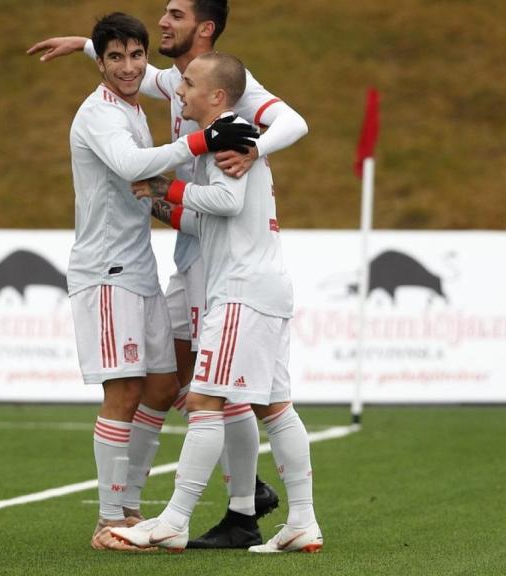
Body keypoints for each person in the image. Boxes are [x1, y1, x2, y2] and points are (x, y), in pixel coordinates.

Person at [28, 0, 309, 548]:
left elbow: (292, 124)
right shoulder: (176, 85)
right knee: (171, 387)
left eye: (175, 15)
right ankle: (158, 507)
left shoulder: (228, 99)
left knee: (214, 394)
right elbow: (133, 69)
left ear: (203, 30)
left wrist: (247, 149)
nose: (163, 23)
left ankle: (232, 509)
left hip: (222, 267)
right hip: (184, 257)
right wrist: (87, 45)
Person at [110, 51, 322, 554]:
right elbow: (210, 220)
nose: (178, 91)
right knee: (275, 406)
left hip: (242, 291)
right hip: (264, 284)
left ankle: (174, 520)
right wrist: (159, 201)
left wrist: (170, 185)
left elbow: (223, 201)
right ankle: (303, 521)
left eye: (187, 83)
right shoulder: (225, 141)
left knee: (205, 401)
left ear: (217, 96)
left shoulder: (230, 134)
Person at [61, 12, 258, 551]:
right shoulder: (99, 115)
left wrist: (174, 199)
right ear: (100, 63)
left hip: (140, 267)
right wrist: (203, 143)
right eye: (116, 57)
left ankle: (129, 503)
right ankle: (109, 518)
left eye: (137, 55)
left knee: (161, 388)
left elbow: (143, 186)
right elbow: (131, 165)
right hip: (106, 273)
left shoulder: (132, 106)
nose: (129, 67)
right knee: (123, 391)